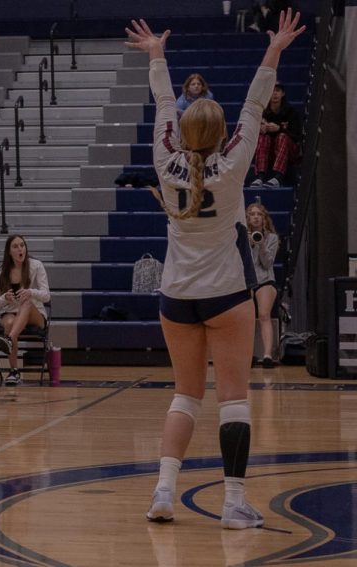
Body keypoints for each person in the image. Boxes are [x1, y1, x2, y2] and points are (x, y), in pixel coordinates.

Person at [126, 12, 304, 529]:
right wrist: (274, 50)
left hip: (176, 295)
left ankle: (163, 493)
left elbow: (162, 101)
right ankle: (232, 503)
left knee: (185, 394)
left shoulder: (164, 159)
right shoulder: (234, 165)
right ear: (222, 132)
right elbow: (255, 101)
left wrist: (157, 54)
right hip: (227, 293)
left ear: (182, 132)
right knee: (233, 399)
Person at [0, 234, 49, 386]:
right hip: (11, 312)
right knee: (9, 323)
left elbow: (47, 296)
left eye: (22, 245)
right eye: (15, 246)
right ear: (9, 252)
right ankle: (14, 371)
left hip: (35, 314)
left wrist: (31, 292)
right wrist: (5, 298)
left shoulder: (36, 265)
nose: (20, 249)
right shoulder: (1, 272)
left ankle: (9, 339)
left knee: (27, 302)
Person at [247, 202, 280, 368]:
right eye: (252, 214)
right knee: (245, 318)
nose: (255, 217)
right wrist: (248, 243)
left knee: (264, 315)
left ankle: (267, 355)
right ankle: (247, 354)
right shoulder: (242, 237)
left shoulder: (272, 238)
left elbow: (267, 264)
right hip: (247, 281)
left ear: (264, 218)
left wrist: (260, 246)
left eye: (259, 214)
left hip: (265, 279)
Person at [250, 83, 301, 187]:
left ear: (283, 94)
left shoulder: (291, 112)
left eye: (277, 90)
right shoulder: (263, 113)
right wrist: (260, 129)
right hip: (271, 153)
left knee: (282, 137)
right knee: (263, 137)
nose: (274, 93)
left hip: (289, 151)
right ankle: (260, 177)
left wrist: (279, 129)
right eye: (272, 90)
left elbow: (297, 136)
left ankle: (278, 177)